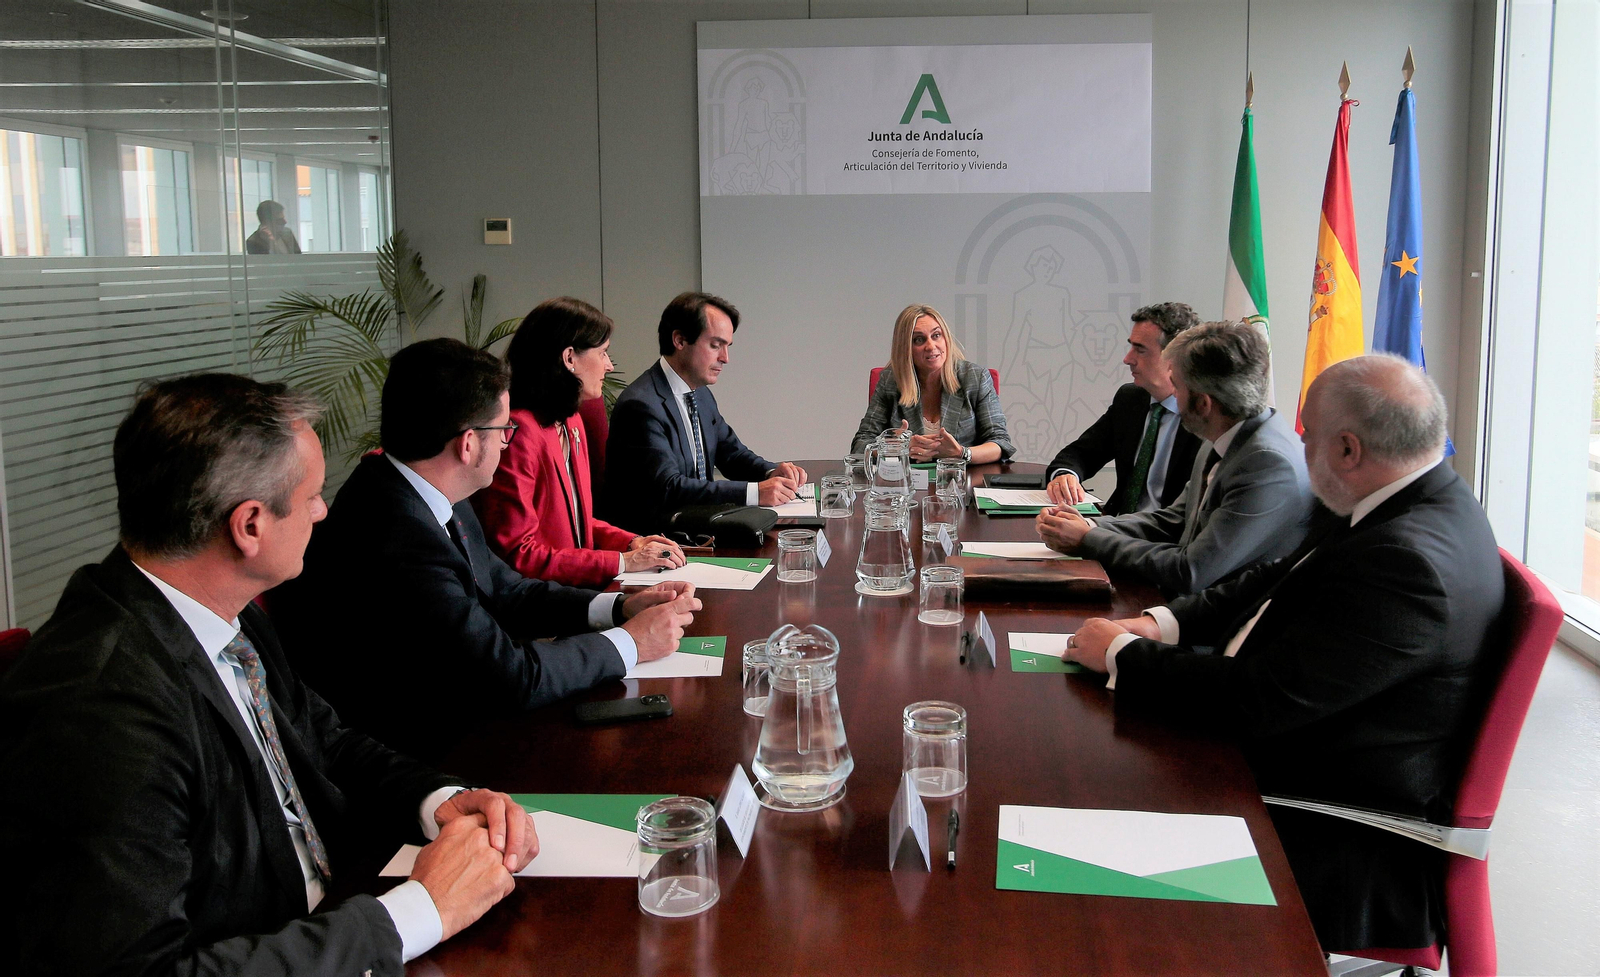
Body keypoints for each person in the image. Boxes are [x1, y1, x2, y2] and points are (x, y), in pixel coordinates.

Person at [0, 374, 533, 973]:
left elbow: (323, 739)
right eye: (312, 496)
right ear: (250, 525)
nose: (322, 511)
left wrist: (439, 800)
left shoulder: (218, 609)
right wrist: (420, 911)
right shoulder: (101, 708)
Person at [1062, 354, 1505, 952]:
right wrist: (1157, 624)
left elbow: (1260, 701)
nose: (1299, 446)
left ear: (1347, 449)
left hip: (1320, 824)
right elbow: (1272, 579)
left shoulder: (1408, 561)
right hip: (1288, 752)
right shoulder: (1402, 501)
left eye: (1308, 434)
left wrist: (1124, 656)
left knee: (1074, 800)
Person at [272, 339, 700, 761]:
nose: (506, 443)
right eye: (504, 430)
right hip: (414, 750)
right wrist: (631, 643)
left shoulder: (427, 486)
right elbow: (510, 676)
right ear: (468, 444)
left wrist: (619, 607)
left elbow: (505, 588)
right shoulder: (398, 531)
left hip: (458, 714)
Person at [1036, 319, 1312, 596]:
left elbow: (1190, 570)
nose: (1172, 396)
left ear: (1203, 404)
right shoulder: (1227, 433)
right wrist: (1089, 525)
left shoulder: (1267, 464)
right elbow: (1176, 520)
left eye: (1177, 387)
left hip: (1224, 616)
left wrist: (1088, 539)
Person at [474, 297, 687, 587]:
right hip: (539, 601)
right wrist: (623, 561)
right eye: (603, 353)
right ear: (569, 358)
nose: (609, 366)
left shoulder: (571, 421)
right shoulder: (519, 433)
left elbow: (578, 525)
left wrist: (631, 542)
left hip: (575, 588)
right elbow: (518, 555)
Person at [599, 291, 808, 534]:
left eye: (727, 346)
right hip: (659, 537)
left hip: (699, 526)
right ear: (679, 340)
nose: (725, 358)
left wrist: (770, 471)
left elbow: (731, 454)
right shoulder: (641, 405)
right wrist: (754, 493)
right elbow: (669, 487)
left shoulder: (700, 394)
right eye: (715, 345)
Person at [1043, 302, 1203, 513]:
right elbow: (1081, 453)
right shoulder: (1131, 399)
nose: (1127, 359)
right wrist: (1065, 475)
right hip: (1117, 523)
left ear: (1174, 358)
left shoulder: (1205, 415)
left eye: (1140, 350)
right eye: (1131, 347)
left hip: (1167, 531)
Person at [850, 304, 1015, 464]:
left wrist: (961, 453)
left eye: (936, 335)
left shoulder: (975, 378)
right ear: (905, 348)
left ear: (946, 338)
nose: (930, 346)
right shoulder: (890, 382)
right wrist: (896, 448)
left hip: (962, 477)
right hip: (907, 479)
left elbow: (1000, 442)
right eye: (919, 340)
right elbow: (861, 444)